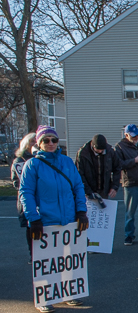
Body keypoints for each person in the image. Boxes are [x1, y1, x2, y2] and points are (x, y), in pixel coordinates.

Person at [19, 126, 89, 312]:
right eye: (46, 140)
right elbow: (26, 193)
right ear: (39, 143)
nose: (50, 143)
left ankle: (67, 293)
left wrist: (81, 211)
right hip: (45, 222)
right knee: (46, 263)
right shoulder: (32, 165)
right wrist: (33, 219)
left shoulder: (67, 162)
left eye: (54, 140)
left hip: (68, 221)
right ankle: (44, 298)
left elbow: (78, 187)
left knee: (68, 260)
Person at [75, 134, 122, 206]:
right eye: (98, 150)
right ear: (92, 146)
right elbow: (79, 174)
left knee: (102, 213)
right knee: (87, 214)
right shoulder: (83, 154)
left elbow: (117, 168)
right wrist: (87, 191)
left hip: (104, 189)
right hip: (88, 189)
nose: (100, 151)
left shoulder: (110, 152)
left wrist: (114, 186)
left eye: (102, 150)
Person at [11, 133, 36, 263]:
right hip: (27, 200)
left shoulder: (41, 158)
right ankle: (33, 255)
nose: (34, 143)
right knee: (30, 227)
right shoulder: (19, 161)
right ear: (26, 144)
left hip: (42, 199)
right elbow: (16, 182)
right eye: (32, 141)